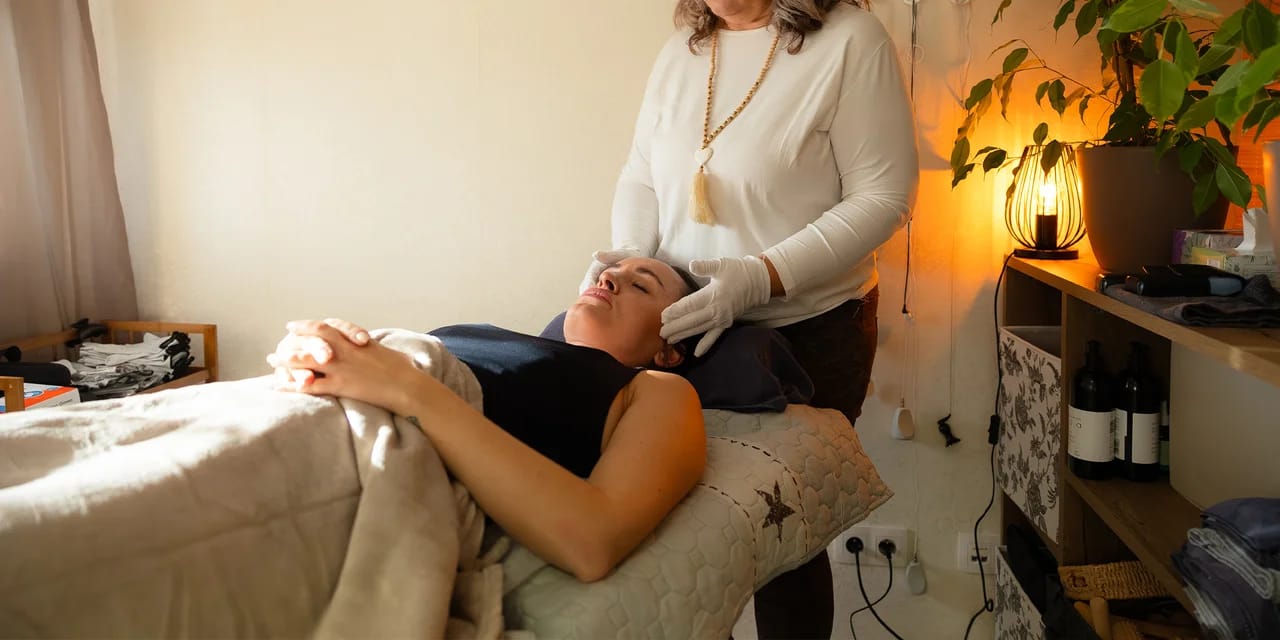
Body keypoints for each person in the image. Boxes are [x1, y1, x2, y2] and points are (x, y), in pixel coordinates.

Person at [580, 0, 919, 636]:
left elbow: (883, 196)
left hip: (807, 329)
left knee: (785, 533)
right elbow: (642, 177)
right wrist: (627, 260)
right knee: (684, 521)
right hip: (683, 325)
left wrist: (762, 276)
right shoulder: (684, 49)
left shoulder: (851, 41)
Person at [269, 257, 707, 582]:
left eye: (641, 285)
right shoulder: (484, 331)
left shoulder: (658, 389)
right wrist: (320, 356)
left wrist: (405, 386)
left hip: (370, 447)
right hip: (296, 408)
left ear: (668, 351)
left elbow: (594, 542)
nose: (607, 277)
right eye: (611, 272)